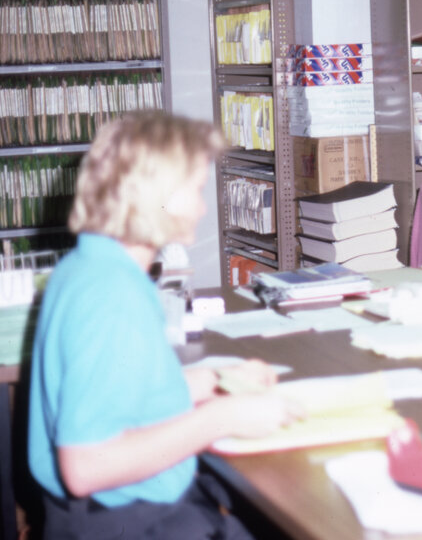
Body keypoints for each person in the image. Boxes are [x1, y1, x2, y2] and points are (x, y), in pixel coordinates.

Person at [27, 112, 302, 538]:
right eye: (193, 189)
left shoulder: (89, 266)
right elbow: (86, 466)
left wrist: (214, 380)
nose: (202, 206)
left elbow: (123, 390)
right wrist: (222, 416)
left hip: (104, 515)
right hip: (124, 522)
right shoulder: (111, 295)